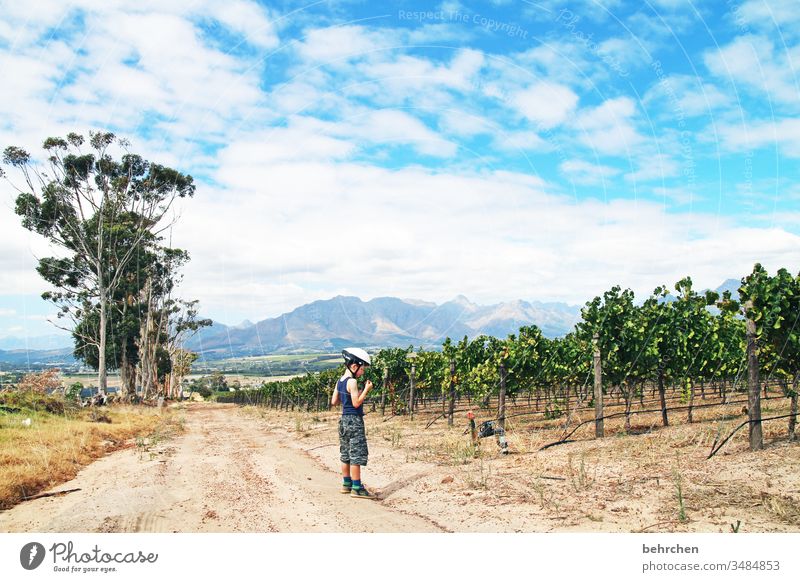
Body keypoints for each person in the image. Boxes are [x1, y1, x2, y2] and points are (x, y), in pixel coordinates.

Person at [331, 347, 375, 499]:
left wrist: (345, 399)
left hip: (343, 420)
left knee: (345, 453)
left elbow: (334, 401)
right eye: (362, 368)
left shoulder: (340, 381)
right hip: (355, 420)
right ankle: (357, 487)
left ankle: (346, 484)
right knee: (356, 454)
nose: (363, 372)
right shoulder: (352, 382)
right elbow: (356, 403)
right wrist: (366, 390)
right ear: (354, 366)